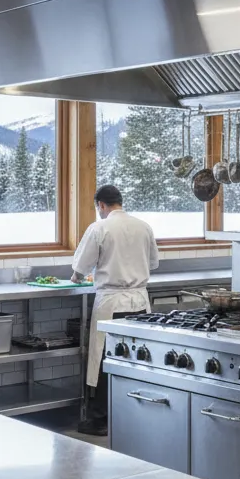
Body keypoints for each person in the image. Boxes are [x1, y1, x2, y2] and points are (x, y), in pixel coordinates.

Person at [71, 184, 159, 436]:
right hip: (140, 302)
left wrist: (77, 276)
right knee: (136, 359)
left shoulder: (99, 228)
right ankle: (134, 415)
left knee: (105, 360)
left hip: (112, 303)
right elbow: (153, 263)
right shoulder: (143, 226)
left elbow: (81, 266)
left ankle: (100, 420)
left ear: (101, 205)